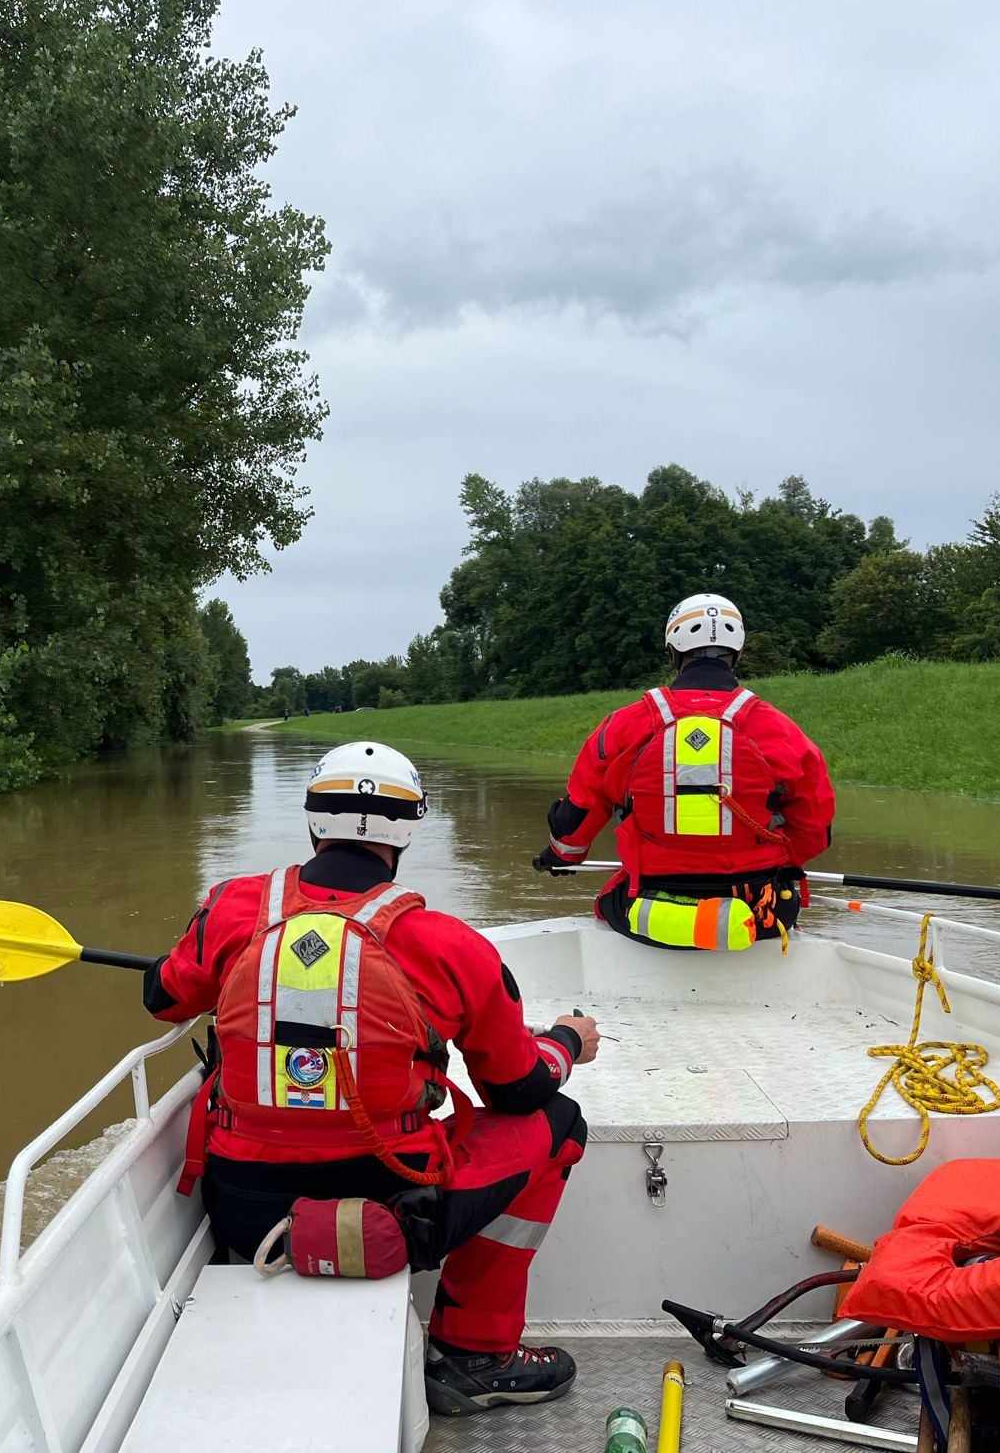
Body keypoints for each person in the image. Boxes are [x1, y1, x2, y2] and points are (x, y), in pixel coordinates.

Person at [143, 740, 599, 1417]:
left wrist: (198, 955)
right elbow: (518, 1089)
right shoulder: (449, 944)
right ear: (408, 831)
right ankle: (477, 1354)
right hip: (387, 1212)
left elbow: (163, 996)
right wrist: (565, 1042)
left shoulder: (234, 909)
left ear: (312, 820)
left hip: (242, 1209)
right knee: (560, 1124)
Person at [533, 592, 836, 951]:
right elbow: (815, 829)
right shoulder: (779, 729)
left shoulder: (624, 725)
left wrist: (562, 856)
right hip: (759, 911)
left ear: (673, 650)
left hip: (646, 907)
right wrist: (785, 861)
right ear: (736, 649)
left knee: (611, 896)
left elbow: (577, 818)